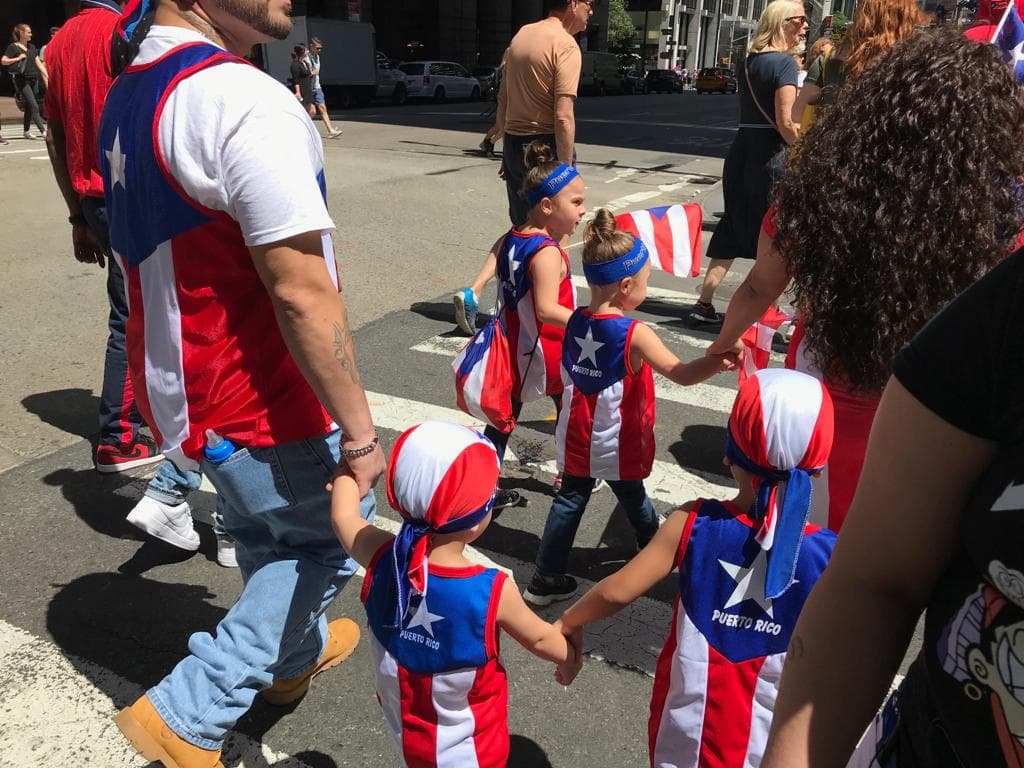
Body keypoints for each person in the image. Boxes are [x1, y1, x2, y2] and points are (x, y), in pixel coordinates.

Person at [100, 1, 385, 765]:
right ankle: (187, 713)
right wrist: (360, 433)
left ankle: (291, 663)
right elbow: (300, 289)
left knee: (268, 536)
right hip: (261, 390)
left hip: (185, 386)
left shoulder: (132, 85)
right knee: (326, 547)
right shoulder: (242, 97)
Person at [760, 75, 1024, 768]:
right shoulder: (996, 257)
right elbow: (876, 586)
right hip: (893, 445)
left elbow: (769, 282)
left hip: (838, 428)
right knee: (841, 566)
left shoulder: (822, 206)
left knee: (814, 558)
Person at [706, 27, 1020, 532]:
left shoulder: (813, 195)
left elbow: (759, 287)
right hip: (925, 405)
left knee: (803, 531)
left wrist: (723, 343)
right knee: (883, 546)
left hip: (821, 385)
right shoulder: (998, 224)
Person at [559, 368, 836, 768]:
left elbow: (617, 591)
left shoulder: (692, 523)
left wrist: (570, 620)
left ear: (729, 456)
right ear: (819, 467)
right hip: (776, 749)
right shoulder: (830, 556)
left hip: (685, 736)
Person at [331, 421, 579, 767]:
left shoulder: (380, 555)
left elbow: (343, 515)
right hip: (471, 750)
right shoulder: (490, 590)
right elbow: (541, 640)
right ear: (477, 519)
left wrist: (350, 462)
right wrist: (570, 656)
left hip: (405, 728)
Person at [523, 209, 738, 605]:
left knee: (570, 499)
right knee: (631, 493)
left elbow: (550, 318)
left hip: (575, 435)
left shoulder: (574, 322)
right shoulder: (634, 333)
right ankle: (652, 547)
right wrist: (715, 361)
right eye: (645, 282)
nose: (647, 288)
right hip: (616, 439)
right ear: (626, 285)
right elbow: (681, 373)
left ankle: (545, 577)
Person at [42, 0, 165, 475]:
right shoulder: (123, 27)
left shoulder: (59, 42)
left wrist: (76, 215)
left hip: (92, 197)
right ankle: (118, 436)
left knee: (132, 311)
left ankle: (136, 418)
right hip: (130, 195)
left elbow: (55, 133)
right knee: (137, 316)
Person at [453, 0, 592, 330]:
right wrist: (566, 167)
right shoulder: (565, 44)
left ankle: (478, 291)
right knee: (553, 232)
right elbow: (562, 115)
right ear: (572, 4)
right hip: (544, 144)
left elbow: (502, 98)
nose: (591, 11)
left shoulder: (520, 38)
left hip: (515, 143)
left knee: (522, 229)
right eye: (589, 3)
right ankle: (545, 312)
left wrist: (503, 142)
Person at [474, 141, 584, 510]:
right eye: (577, 202)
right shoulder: (547, 252)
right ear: (548, 206)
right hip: (549, 348)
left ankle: (483, 484)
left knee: (504, 420)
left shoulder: (515, 238)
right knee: (567, 410)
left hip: (513, 346)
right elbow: (548, 308)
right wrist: (588, 322)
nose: (583, 210)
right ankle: (566, 474)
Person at [689, 0, 805, 324]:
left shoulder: (748, 61)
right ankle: (765, 311)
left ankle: (703, 303)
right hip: (770, 155)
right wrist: (806, 150)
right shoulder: (784, 65)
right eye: (800, 20)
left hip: (741, 151)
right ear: (784, 23)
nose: (805, 26)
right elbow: (785, 123)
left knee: (733, 224)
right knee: (771, 233)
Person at [790, 0, 923, 128]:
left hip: (832, 146)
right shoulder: (910, 65)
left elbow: (797, 114)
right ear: (903, 18)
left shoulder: (828, 58)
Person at [3, 23, 48, 140]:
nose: (31, 34)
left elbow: (38, 63)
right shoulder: (13, 47)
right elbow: (4, 61)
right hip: (22, 80)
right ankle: (43, 130)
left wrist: (47, 75)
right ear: (21, 33)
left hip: (34, 79)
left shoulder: (32, 47)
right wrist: (17, 58)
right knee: (34, 105)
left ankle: (26, 131)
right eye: (28, 32)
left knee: (29, 106)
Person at [306, 37, 343, 139]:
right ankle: (304, 129)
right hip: (308, 88)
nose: (319, 50)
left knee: (323, 107)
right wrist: (311, 73)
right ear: (311, 46)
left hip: (317, 86)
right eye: (317, 48)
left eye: (320, 48)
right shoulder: (306, 57)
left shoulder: (317, 57)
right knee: (311, 111)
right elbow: (302, 72)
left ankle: (330, 130)